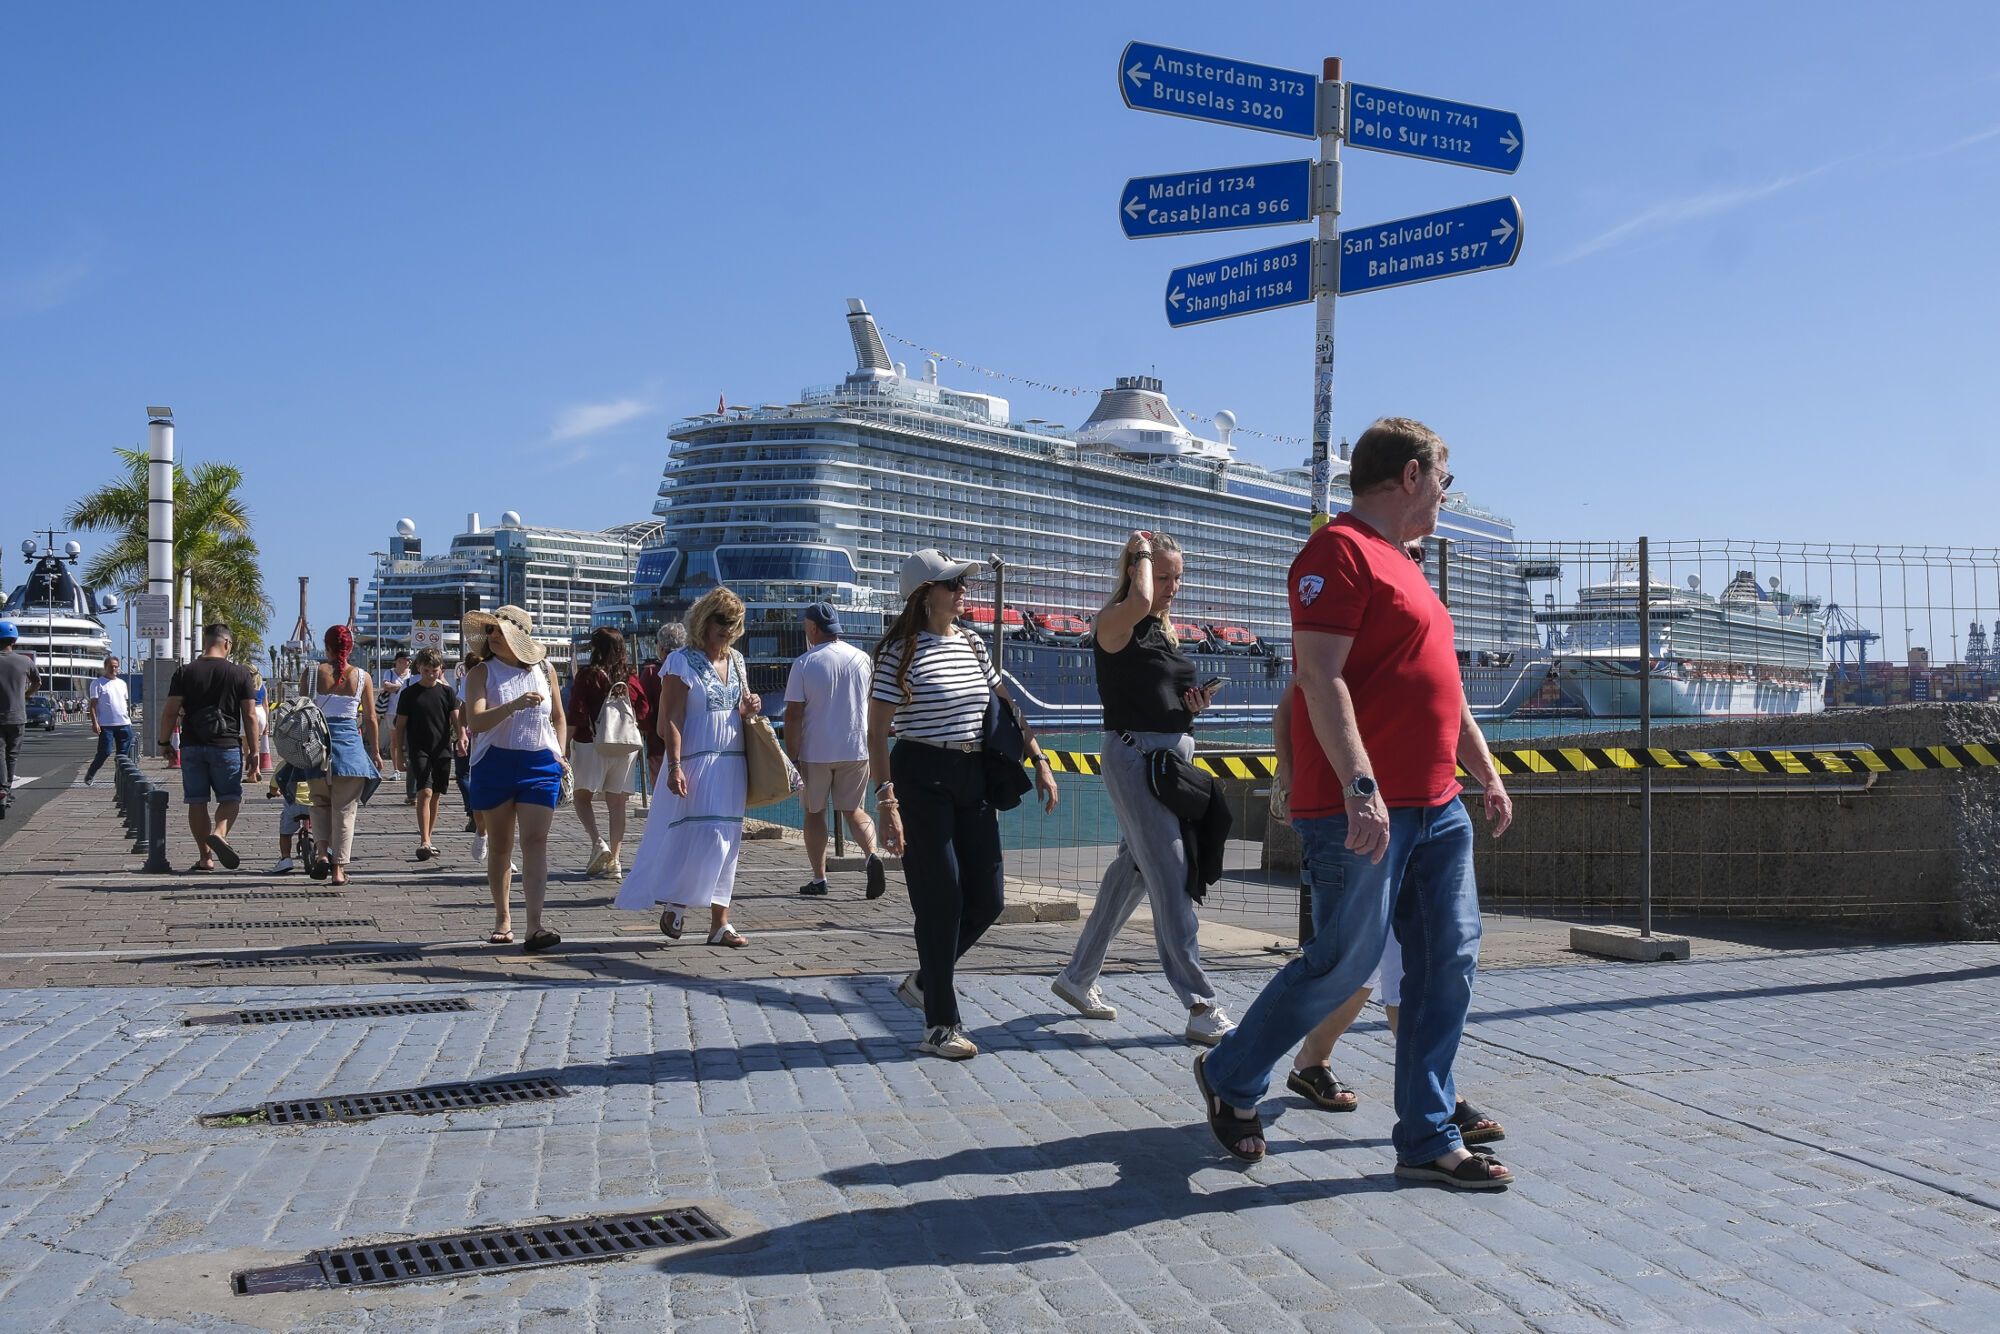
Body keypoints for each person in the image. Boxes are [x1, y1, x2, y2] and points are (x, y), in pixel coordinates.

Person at [1189, 418, 1514, 1189]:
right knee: (1344, 963)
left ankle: (1428, 1136)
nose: (1444, 493)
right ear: (1408, 476)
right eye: (1442, 478)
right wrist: (1361, 786)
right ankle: (1233, 1074)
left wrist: (1487, 771)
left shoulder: (1408, 564)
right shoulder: (1336, 553)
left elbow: (1445, 688)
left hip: (1438, 806)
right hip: (1362, 810)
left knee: (1447, 967)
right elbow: (1319, 677)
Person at [1270, 682, 1505, 1146]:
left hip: (1427, 820)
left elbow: (1458, 714)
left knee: (1404, 969)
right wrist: (1289, 776)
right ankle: (1257, 1068)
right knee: (1357, 967)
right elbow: (1293, 703)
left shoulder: (1432, 636)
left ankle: (1427, 1096)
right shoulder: (1352, 638)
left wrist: (1490, 778)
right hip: (1362, 821)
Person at [869, 549, 1060, 1061]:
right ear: (922, 594)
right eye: (951, 584)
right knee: (942, 899)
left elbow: (1005, 704)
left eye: (962, 584)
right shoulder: (897, 654)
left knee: (989, 898)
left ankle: (925, 979)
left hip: (972, 774)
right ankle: (939, 1024)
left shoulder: (973, 643)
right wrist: (886, 800)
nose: (962, 592)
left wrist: (1038, 758)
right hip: (920, 776)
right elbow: (875, 733)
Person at [1051, 530, 1233, 1045]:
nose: (1173, 586)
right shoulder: (1115, 623)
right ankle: (1201, 1004)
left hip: (1173, 760)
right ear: (1138, 573)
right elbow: (1142, 600)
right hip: (1137, 759)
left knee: (1133, 870)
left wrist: (1190, 706)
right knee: (1171, 873)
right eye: (1165, 575)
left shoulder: (1162, 632)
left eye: (1179, 577)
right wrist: (1143, 554)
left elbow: (1159, 694)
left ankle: (1077, 977)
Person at [616, 588, 761, 947]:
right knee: (696, 836)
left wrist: (748, 707)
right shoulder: (680, 662)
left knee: (727, 841)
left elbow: (732, 711)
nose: (728, 629)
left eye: (735, 622)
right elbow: (672, 720)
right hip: (695, 762)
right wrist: (675, 766)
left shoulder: (738, 661)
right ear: (704, 620)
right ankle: (677, 902)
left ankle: (719, 923)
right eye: (721, 621)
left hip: (732, 762)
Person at [462, 605, 568, 951]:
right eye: (489, 631)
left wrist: (560, 753)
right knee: (502, 846)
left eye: (498, 631)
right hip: (494, 762)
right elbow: (475, 722)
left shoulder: (545, 669)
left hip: (539, 761)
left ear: (517, 636)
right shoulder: (480, 674)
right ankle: (503, 916)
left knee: (536, 842)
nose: (491, 637)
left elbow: (559, 717)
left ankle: (534, 925)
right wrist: (514, 705)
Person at [783, 601, 884, 899]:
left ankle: (819, 878)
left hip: (815, 751)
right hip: (856, 748)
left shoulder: (804, 663)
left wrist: (793, 756)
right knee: (854, 810)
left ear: (812, 628)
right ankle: (871, 856)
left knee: (814, 813)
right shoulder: (863, 659)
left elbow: (793, 715)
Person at [156, 624, 259, 872]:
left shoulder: (185, 672)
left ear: (207, 642)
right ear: (227, 644)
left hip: (192, 746)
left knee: (197, 802)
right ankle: (220, 833)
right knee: (231, 798)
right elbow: (250, 714)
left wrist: (164, 742)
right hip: (225, 745)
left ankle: (206, 858)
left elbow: (170, 711)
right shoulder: (239, 673)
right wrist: (253, 750)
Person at [299, 624, 382, 886]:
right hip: (349, 751)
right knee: (345, 811)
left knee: (319, 805)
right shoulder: (362, 677)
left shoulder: (312, 673)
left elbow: (301, 712)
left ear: (326, 646)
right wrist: (377, 752)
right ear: (351, 647)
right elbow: (370, 718)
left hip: (316, 750)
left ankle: (322, 854)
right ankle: (339, 870)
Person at [567, 627, 651, 880]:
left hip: (591, 744)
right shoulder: (630, 676)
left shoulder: (587, 676)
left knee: (581, 797)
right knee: (618, 805)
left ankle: (597, 841)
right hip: (624, 747)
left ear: (596, 648)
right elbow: (644, 710)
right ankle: (615, 860)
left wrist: (562, 748)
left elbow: (577, 714)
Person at [393, 647, 462, 861]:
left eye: (434, 670)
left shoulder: (447, 693)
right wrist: (398, 755)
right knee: (425, 792)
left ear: (441, 670)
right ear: (419, 669)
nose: (430, 675)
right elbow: (400, 727)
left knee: (437, 794)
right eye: (426, 671)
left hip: (441, 748)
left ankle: (429, 837)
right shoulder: (409, 694)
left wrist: (462, 737)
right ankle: (424, 840)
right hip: (418, 748)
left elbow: (456, 719)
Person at [639, 622, 687, 787]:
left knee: (661, 787)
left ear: (660, 647)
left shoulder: (651, 672)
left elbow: (643, 707)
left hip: (658, 740)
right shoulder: (688, 667)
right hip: (688, 736)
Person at [0, 621, 39, 817]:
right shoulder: (25, 661)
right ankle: (6, 789)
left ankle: (1, 789)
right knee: (12, 755)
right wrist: (26, 694)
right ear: (14, 640)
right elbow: (37, 682)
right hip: (17, 716)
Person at [83, 654, 133, 786]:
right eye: (111, 666)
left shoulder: (122, 683)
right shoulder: (97, 683)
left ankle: (119, 782)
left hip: (124, 724)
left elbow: (124, 702)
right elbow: (92, 705)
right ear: (105, 667)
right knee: (104, 752)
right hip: (106, 725)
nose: (113, 669)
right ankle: (91, 773)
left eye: (116, 667)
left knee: (123, 757)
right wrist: (95, 723)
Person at [379, 651, 414, 803]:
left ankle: (410, 769)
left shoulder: (412, 674)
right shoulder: (390, 672)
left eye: (408, 660)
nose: (407, 662)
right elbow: (386, 686)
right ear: (397, 662)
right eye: (404, 660)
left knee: (410, 741)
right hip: (392, 711)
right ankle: (396, 769)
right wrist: (400, 686)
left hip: (409, 712)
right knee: (394, 741)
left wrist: (396, 687)